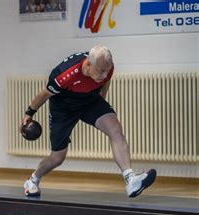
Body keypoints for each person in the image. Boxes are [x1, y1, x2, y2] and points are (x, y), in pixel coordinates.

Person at [21, 45, 156, 198]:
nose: (104, 74)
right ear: (88, 64)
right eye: (100, 71)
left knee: (115, 129)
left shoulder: (106, 68)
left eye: (107, 70)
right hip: (63, 108)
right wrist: (29, 113)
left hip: (90, 100)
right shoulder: (64, 74)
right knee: (57, 157)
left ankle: (130, 179)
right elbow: (44, 94)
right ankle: (33, 180)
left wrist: (102, 102)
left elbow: (105, 82)